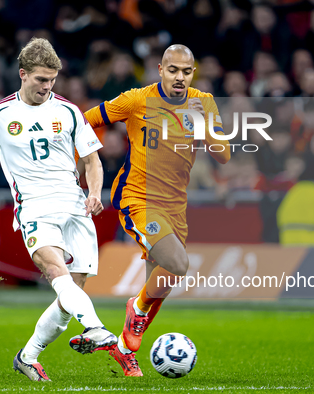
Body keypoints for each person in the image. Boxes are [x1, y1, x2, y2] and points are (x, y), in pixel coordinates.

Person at [0, 38, 117, 382]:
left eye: (52, 80)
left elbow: (92, 161)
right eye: (41, 79)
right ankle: (98, 331)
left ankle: (28, 356)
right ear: (23, 75)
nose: (47, 86)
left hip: (74, 206)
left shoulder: (68, 111)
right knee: (57, 275)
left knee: (73, 291)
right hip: (34, 208)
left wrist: (95, 192)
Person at [84, 44, 230, 376]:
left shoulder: (202, 102)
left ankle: (123, 349)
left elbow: (224, 154)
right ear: (161, 70)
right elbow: (86, 120)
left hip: (175, 206)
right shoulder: (137, 100)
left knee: (160, 286)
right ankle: (133, 309)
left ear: (193, 73)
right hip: (137, 198)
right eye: (173, 70)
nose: (180, 77)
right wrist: (81, 156)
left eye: (187, 71)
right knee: (177, 264)